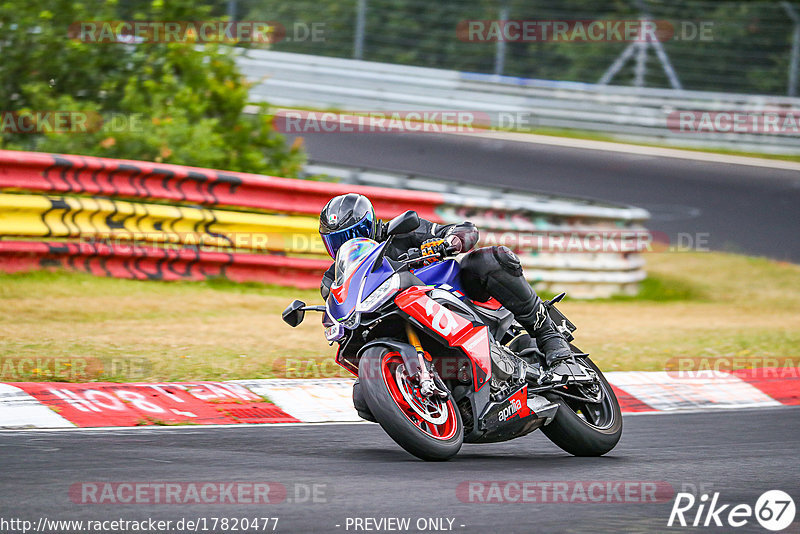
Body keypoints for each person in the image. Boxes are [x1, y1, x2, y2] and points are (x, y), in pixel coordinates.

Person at [318, 193, 572, 368]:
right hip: (392, 318)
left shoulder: (402, 231)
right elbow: (335, 301)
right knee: (363, 399)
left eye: (354, 235)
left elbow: (462, 230)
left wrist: (450, 241)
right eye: (337, 240)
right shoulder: (337, 275)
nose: (346, 244)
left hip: (450, 294)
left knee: (487, 260)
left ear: (370, 224)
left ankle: (549, 335)